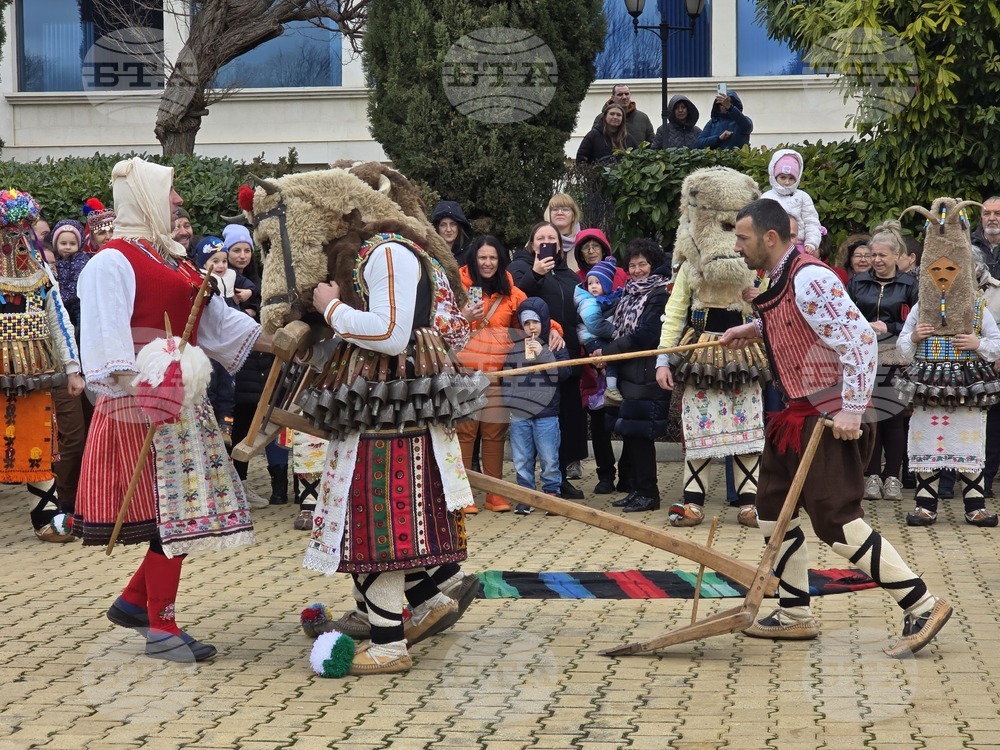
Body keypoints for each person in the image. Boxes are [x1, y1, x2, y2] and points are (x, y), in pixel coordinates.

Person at [721, 197, 952, 658]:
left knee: (836, 519)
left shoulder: (810, 277)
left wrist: (852, 409)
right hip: (795, 415)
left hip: (828, 415)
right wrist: (754, 330)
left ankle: (923, 604)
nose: (737, 247)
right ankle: (794, 613)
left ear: (770, 237)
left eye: (743, 238)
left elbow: (860, 340)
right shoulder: (781, 276)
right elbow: (807, 325)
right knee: (771, 510)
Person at [74, 156, 266, 663]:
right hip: (144, 407)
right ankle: (160, 625)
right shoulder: (111, 261)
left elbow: (216, 324)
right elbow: (105, 341)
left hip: (184, 406)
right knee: (169, 519)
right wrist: (144, 391)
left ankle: (135, 603)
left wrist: (285, 338)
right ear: (143, 198)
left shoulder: (174, 260)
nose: (178, 200)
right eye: (169, 191)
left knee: (179, 515)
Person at [655, 166, 766, 528]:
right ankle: (693, 502)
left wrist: (760, 298)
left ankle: (750, 503)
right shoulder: (690, 266)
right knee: (699, 426)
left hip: (744, 353)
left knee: (748, 426)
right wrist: (663, 359)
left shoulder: (758, 266)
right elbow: (675, 313)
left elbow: (774, 311)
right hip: (700, 350)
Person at [893, 197, 1000, 528]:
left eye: (951, 269)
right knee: (926, 441)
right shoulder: (921, 307)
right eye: (936, 270)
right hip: (928, 386)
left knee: (969, 443)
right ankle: (925, 506)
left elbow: (997, 343)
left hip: (967, 386)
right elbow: (902, 348)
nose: (944, 276)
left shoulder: (978, 308)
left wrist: (977, 344)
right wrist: (914, 338)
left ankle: (975, 506)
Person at [0, 190, 84, 543]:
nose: (17, 239)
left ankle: (46, 517)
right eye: (10, 231)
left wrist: (72, 367)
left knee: (38, 439)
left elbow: (59, 320)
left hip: (36, 370)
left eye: (24, 231)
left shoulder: (41, 273)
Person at [509, 221, 588, 500]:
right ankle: (527, 484)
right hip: (532, 360)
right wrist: (536, 274)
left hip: (566, 355)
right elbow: (516, 303)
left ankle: (558, 479)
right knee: (530, 424)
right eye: (540, 238)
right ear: (532, 244)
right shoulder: (521, 269)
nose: (546, 242)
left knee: (563, 420)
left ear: (560, 244)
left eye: (552, 238)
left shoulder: (569, 275)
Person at [595, 239, 672, 513]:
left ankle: (649, 493)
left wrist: (608, 352)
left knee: (642, 435)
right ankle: (637, 490)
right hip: (628, 373)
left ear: (653, 265)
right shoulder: (627, 294)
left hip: (647, 373)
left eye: (643, 264)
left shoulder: (660, 294)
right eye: (632, 265)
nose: (637, 270)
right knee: (631, 433)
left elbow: (646, 336)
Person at [846, 220, 918, 501]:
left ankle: (893, 478)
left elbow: (919, 324)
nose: (875, 260)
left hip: (897, 357)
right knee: (870, 416)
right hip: (864, 357)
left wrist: (890, 328)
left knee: (895, 418)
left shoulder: (910, 285)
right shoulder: (857, 282)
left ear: (897, 255)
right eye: (872, 254)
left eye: (882, 255)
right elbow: (845, 317)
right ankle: (872, 475)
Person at [455, 235, 526, 513]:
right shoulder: (456, 287)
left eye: (492, 258)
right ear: (473, 259)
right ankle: (464, 496)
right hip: (464, 373)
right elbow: (439, 322)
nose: (487, 263)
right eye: (482, 257)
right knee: (465, 433)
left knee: (494, 433)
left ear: (500, 260)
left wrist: (554, 331)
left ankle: (495, 494)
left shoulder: (511, 292)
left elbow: (533, 318)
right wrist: (463, 317)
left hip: (496, 375)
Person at [223, 223, 289, 508]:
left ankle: (279, 488)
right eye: (236, 250)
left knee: (273, 424)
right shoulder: (224, 281)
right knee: (242, 425)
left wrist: (254, 298)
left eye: (246, 250)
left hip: (267, 364)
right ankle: (240, 486)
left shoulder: (261, 281)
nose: (242, 256)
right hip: (243, 365)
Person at [502, 298, 571, 515]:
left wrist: (543, 354)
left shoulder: (555, 345)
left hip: (546, 413)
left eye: (536, 322)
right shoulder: (515, 349)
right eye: (526, 323)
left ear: (545, 321)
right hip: (520, 414)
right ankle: (526, 495)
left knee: (549, 457)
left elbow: (563, 373)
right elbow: (507, 377)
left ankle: (551, 494)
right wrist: (510, 402)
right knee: (521, 458)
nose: (531, 327)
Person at [573, 228, 627, 494]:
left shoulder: (622, 276)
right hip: (591, 362)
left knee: (626, 419)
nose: (591, 250)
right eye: (586, 247)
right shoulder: (577, 281)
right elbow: (577, 321)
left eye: (596, 245)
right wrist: (592, 351)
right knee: (598, 422)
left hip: (622, 356)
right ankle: (605, 474)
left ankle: (628, 473)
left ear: (605, 248)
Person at [195, 236, 239, 445]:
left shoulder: (232, 278)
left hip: (228, 344)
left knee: (227, 387)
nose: (221, 266)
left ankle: (226, 424)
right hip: (208, 346)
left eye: (224, 261)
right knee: (210, 385)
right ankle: (209, 425)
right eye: (215, 261)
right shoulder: (200, 282)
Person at [576, 257, 623, 402]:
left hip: (598, 337)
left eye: (597, 282)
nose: (593, 286)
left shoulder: (607, 299)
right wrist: (614, 332)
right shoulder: (588, 301)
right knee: (610, 359)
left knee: (607, 362)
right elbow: (594, 324)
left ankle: (608, 387)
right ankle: (611, 389)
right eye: (590, 283)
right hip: (592, 339)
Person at [760, 149, 822, 254]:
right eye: (783, 177)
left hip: (800, 245)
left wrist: (811, 243)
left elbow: (811, 221)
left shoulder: (803, 197)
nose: (787, 182)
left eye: (791, 178)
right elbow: (761, 224)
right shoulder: (766, 198)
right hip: (774, 246)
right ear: (774, 176)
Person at [591, 83, 655, 144]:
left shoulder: (642, 118)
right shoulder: (602, 118)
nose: (624, 97)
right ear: (613, 98)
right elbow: (593, 141)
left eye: (627, 94)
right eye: (620, 94)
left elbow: (652, 143)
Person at [431, 200, 473, 267]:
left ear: (459, 227)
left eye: (453, 224)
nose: (448, 230)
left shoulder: (470, 255)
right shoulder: (430, 255)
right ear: (437, 228)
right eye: (443, 225)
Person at [544, 193, 583, 263]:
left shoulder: (583, 242)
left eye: (565, 209)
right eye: (555, 209)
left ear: (573, 216)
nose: (559, 213)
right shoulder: (538, 240)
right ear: (549, 214)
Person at [972, 196, 1000, 279]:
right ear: (981, 217)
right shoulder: (969, 245)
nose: (991, 218)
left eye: (998, 213)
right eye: (987, 214)